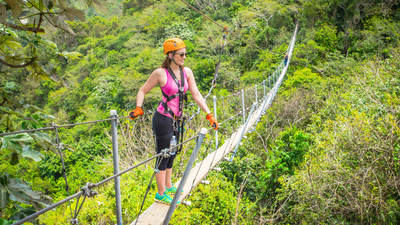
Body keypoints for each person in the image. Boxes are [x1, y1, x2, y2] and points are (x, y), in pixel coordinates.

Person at [129, 37, 218, 204]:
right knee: (163, 155)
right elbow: (142, 90)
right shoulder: (160, 73)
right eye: (181, 54)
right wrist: (138, 107)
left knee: (173, 152)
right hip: (163, 118)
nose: (184, 57)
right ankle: (161, 193)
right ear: (170, 55)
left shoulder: (187, 72)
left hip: (177, 120)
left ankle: (168, 185)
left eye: (185, 54)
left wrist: (209, 114)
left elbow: (196, 94)